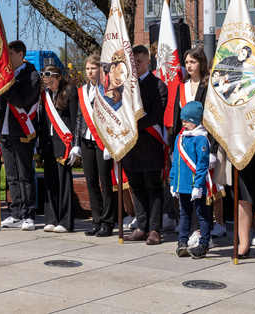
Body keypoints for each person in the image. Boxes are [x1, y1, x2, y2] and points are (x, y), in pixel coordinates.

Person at [173, 48, 227, 240]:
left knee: (208, 187)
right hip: (186, 145)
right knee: (189, 188)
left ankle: (207, 230)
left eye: (193, 62)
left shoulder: (209, 85)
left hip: (206, 143)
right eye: (186, 62)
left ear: (201, 63)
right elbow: (176, 119)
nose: (188, 65)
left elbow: (215, 119)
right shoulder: (182, 86)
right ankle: (194, 230)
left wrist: (212, 150)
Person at [122, 45, 168, 245]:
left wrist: (132, 124)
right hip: (130, 146)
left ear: (148, 61)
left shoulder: (158, 85)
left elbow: (157, 115)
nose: (136, 65)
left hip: (150, 144)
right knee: (136, 187)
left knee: (153, 188)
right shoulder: (124, 86)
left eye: (139, 61)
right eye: (133, 62)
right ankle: (141, 226)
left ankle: (155, 229)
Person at [0, 40, 41, 231]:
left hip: (22, 131)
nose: (7, 58)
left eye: (11, 54)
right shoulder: (4, 75)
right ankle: (15, 213)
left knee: (25, 174)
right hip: (4, 130)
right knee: (11, 176)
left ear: (21, 55)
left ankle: (28, 214)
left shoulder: (31, 75)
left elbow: (22, 100)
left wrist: (6, 86)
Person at [74, 54, 114, 237]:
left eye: (93, 68)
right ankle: (96, 221)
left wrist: (110, 143)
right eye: (88, 68)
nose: (90, 71)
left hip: (103, 141)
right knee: (91, 182)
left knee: (105, 182)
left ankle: (108, 222)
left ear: (100, 69)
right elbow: (78, 118)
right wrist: (76, 143)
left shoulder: (108, 89)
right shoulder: (82, 90)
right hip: (86, 139)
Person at [37, 64, 79, 233]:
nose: (49, 86)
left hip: (65, 143)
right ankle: (51, 219)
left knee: (64, 183)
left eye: (51, 82)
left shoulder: (70, 91)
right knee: (50, 182)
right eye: (46, 83)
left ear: (59, 78)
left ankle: (65, 221)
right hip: (49, 143)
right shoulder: (45, 95)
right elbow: (43, 121)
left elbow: (76, 118)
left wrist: (76, 145)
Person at [169, 101, 211, 259]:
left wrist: (199, 185)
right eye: (183, 120)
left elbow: (202, 164)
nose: (184, 123)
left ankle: (204, 243)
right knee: (184, 214)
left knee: (202, 214)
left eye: (187, 120)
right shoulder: (180, 137)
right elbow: (176, 162)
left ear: (196, 120)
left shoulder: (201, 138)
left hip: (195, 185)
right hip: (183, 184)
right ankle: (182, 242)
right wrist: (173, 182)